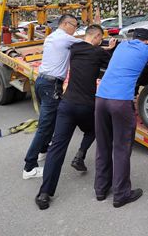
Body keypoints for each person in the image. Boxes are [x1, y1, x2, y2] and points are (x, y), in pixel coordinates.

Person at [35, 25, 117, 210]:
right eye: (99, 38)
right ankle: (80, 154)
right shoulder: (98, 53)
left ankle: (44, 193)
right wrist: (109, 49)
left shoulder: (75, 48)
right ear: (97, 37)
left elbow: (89, 49)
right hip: (86, 106)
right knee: (94, 130)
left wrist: (102, 47)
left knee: (57, 148)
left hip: (66, 104)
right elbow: (111, 62)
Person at [94, 28, 148, 207]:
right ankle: (121, 194)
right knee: (121, 148)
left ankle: (100, 189)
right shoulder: (145, 49)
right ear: (147, 41)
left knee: (103, 145)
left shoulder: (121, 46)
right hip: (120, 102)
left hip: (101, 99)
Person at [22, 14, 82, 180]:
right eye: (74, 26)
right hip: (51, 86)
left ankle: (42, 151)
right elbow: (88, 44)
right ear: (65, 23)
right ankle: (29, 167)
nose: (75, 30)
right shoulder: (64, 38)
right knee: (45, 125)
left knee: (50, 121)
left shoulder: (51, 37)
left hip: (41, 81)